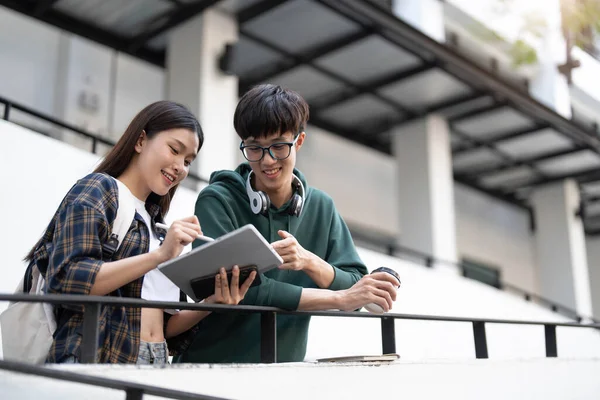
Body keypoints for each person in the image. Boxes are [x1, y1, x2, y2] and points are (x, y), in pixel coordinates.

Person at [175, 84, 399, 364]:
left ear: (299, 141)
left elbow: (356, 285)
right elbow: (246, 288)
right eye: (255, 148)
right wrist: (340, 299)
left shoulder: (321, 206)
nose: (267, 160)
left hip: (284, 374)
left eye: (279, 146)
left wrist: (310, 262)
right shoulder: (217, 199)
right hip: (208, 368)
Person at [24, 101, 255, 364]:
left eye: (188, 160)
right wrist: (159, 256)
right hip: (99, 360)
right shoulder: (99, 189)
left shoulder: (157, 225)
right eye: (174, 150)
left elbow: (165, 327)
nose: (180, 166)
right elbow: (68, 279)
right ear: (141, 140)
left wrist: (215, 301)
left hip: (154, 359)